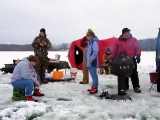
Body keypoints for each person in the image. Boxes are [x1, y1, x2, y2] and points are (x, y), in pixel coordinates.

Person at [112, 28, 141, 93]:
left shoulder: (133, 40)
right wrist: (113, 58)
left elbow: (138, 47)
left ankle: (136, 87)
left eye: (128, 32)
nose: (127, 34)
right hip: (121, 60)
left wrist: (138, 55)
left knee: (133, 72)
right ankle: (125, 86)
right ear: (123, 33)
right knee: (123, 72)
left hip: (131, 59)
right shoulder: (118, 41)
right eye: (126, 33)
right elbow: (114, 50)